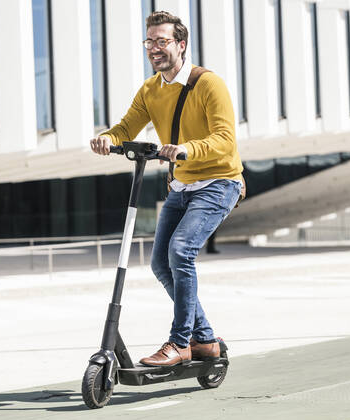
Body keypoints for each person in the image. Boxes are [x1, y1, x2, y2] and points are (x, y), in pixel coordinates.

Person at [90, 11, 243, 366]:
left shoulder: (209, 84)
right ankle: (204, 339)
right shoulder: (150, 90)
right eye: (150, 42)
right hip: (183, 185)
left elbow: (224, 139)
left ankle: (180, 342)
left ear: (181, 44)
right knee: (160, 263)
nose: (155, 48)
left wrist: (188, 149)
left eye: (162, 41)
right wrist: (108, 139)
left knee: (180, 251)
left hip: (220, 182)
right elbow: (127, 126)